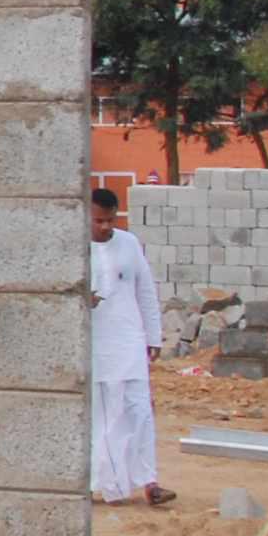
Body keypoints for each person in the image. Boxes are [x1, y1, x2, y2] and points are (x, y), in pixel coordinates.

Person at [87, 186, 171, 507]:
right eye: (99, 220)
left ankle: (150, 482)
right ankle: (98, 484)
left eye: (111, 220)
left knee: (139, 411)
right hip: (97, 345)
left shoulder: (129, 244)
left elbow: (145, 291)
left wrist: (153, 336)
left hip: (130, 340)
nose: (106, 226)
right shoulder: (74, 249)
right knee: (104, 415)